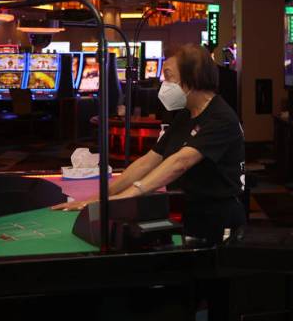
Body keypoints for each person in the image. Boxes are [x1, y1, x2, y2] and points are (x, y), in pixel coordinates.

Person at [53, 43, 246, 242]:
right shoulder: (185, 116)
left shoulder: (221, 118)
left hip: (219, 219)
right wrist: (99, 197)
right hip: (191, 211)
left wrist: (125, 197)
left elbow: (180, 163)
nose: (164, 82)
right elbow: (148, 161)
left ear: (192, 78)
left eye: (169, 76)